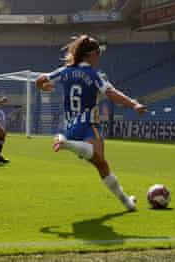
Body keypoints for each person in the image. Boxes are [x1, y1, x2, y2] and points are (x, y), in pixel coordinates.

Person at [36, 35, 147, 212]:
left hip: (71, 126)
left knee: (101, 163)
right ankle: (66, 143)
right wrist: (134, 104)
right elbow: (111, 93)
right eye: (98, 53)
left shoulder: (64, 71)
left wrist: (43, 87)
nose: (99, 57)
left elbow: (40, 79)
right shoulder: (94, 74)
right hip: (88, 124)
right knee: (98, 157)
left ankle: (127, 202)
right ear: (91, 55)